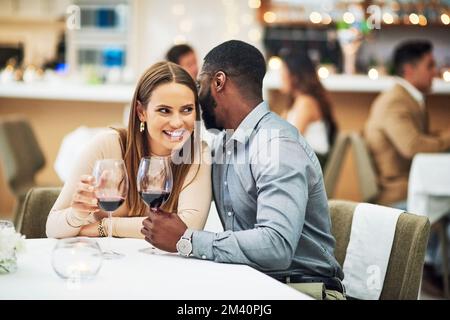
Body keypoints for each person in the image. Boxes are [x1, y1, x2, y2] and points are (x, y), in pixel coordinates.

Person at [141, 40, 345, 300]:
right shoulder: (224, 143)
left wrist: (187, 239)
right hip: (253, 283)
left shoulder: (277, 145)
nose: (197, 97)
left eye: (200, 85)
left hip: (302, 290)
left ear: (219, 82)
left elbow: (276, 246)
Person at [46, 62, 211, 239]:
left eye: (187, 110)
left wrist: (107, 226)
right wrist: (76, 214)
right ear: (141, 112)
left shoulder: (197, 152)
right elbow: (52, 230)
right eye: (164, 110)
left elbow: (189, 227)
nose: (178, 122)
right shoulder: (107, 146)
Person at [364, 40, 450, 207]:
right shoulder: (395, 101)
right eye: (430, 66)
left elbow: (420, 138)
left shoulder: (407, 98)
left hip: (411, 186)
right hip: (398, 193)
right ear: (409, 70)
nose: (435, 72)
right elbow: (412, 145)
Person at [280, 50, 337, 168]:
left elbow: (289, 141)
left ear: (294, 76)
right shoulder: (295, 104)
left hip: (312, 164)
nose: (280, 77)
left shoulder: (306, 102)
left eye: (282, 73)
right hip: (303, 162)